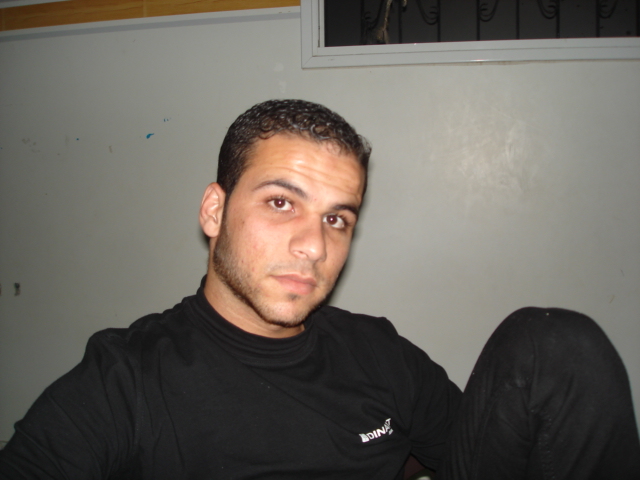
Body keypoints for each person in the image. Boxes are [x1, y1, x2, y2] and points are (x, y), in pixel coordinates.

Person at [0, 100, 638, 480]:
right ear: (215, 211)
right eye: (282, 202)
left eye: (337, 218)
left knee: (556, 345)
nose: (314, 245)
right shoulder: (125, 380)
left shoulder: (378, 352)